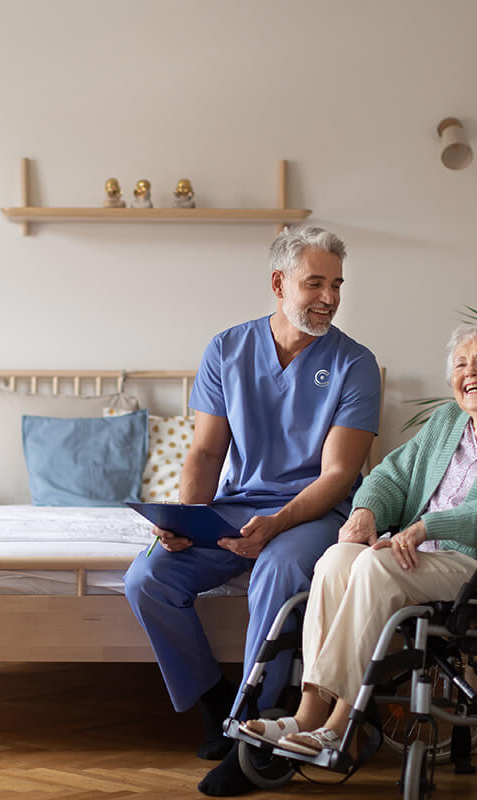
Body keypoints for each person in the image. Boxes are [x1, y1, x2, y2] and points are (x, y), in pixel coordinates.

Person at [123, 226, 381, 796]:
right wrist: (184, 519)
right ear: (278, 283)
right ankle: (214, 698)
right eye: (315, 283)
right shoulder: (226, 349)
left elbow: (339, 475)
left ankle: (253, 731)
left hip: (317, 513)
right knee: (148, 576)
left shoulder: (354, 364)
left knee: (279, 570)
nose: (330, 298)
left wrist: (278, 526)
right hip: (238, 506)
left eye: (336, 285)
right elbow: (206, 451)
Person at [238, 318, 477, 759]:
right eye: (459, 364)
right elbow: (389, 475)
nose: (468, 372)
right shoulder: (448, 421)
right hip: (416, 558)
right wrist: (365, 512)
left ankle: (341, 725)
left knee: (375, 565)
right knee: (338, 557)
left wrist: (430, 527)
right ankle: (307, 713)